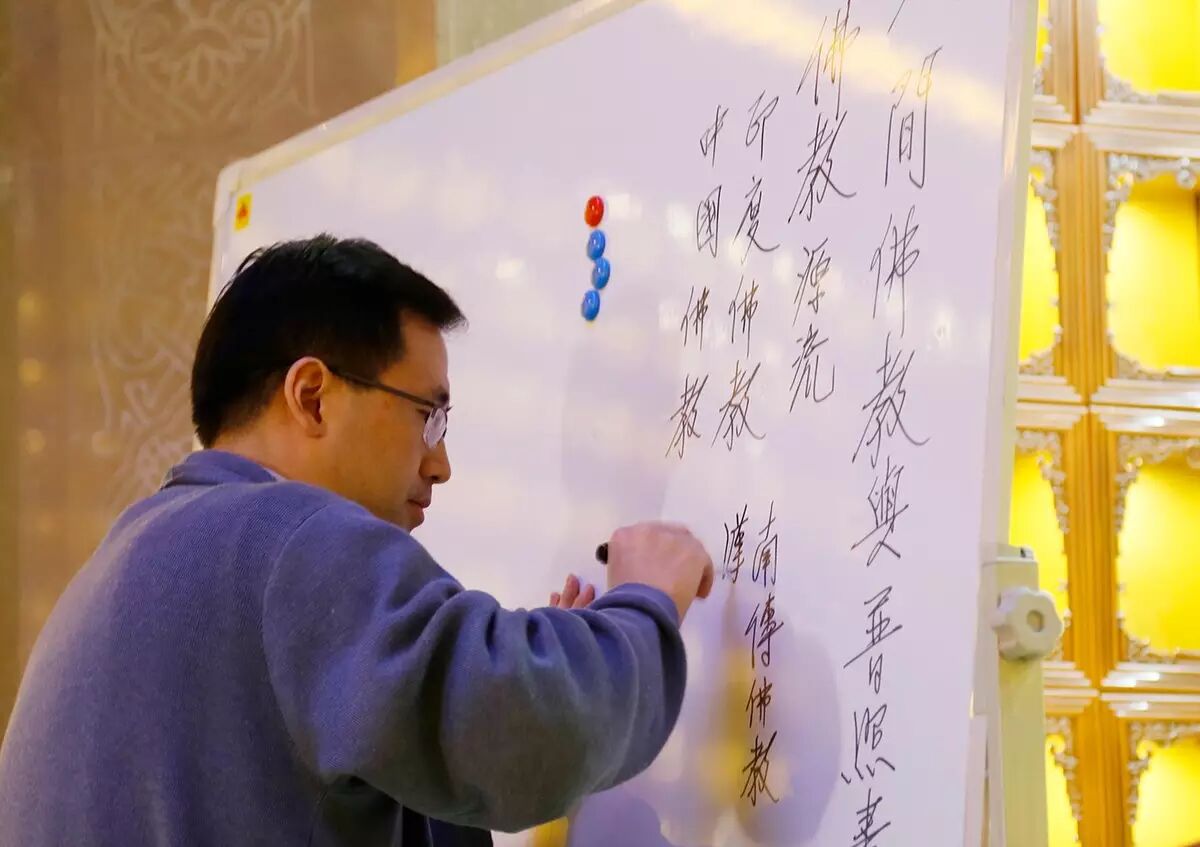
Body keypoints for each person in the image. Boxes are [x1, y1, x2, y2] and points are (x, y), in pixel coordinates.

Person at [0, 235, 715, 846]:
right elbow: (530, 729)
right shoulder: (291, 539)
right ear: (312, 396)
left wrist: (546, 654)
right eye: (427, 415)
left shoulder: (115, 570)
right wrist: (641, 605)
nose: (440, 463)